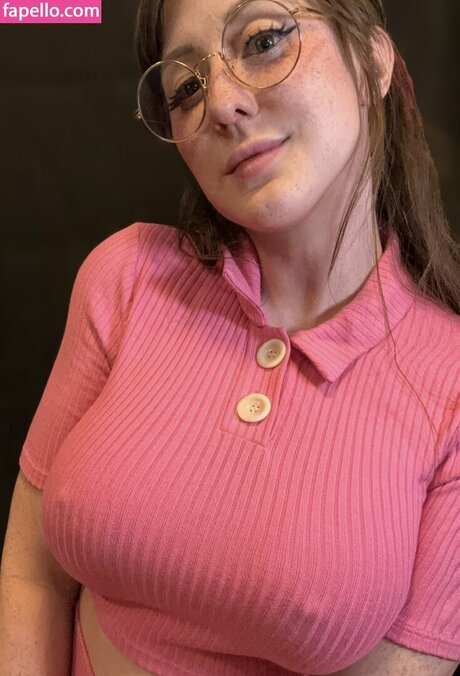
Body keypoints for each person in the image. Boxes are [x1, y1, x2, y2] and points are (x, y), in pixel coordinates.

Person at [1, 0, 459, 674]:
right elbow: (32, 576)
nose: (220, 103)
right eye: (185, 88)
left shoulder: (449, 381)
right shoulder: (124, 279)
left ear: (373, 59)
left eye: (264, 40)